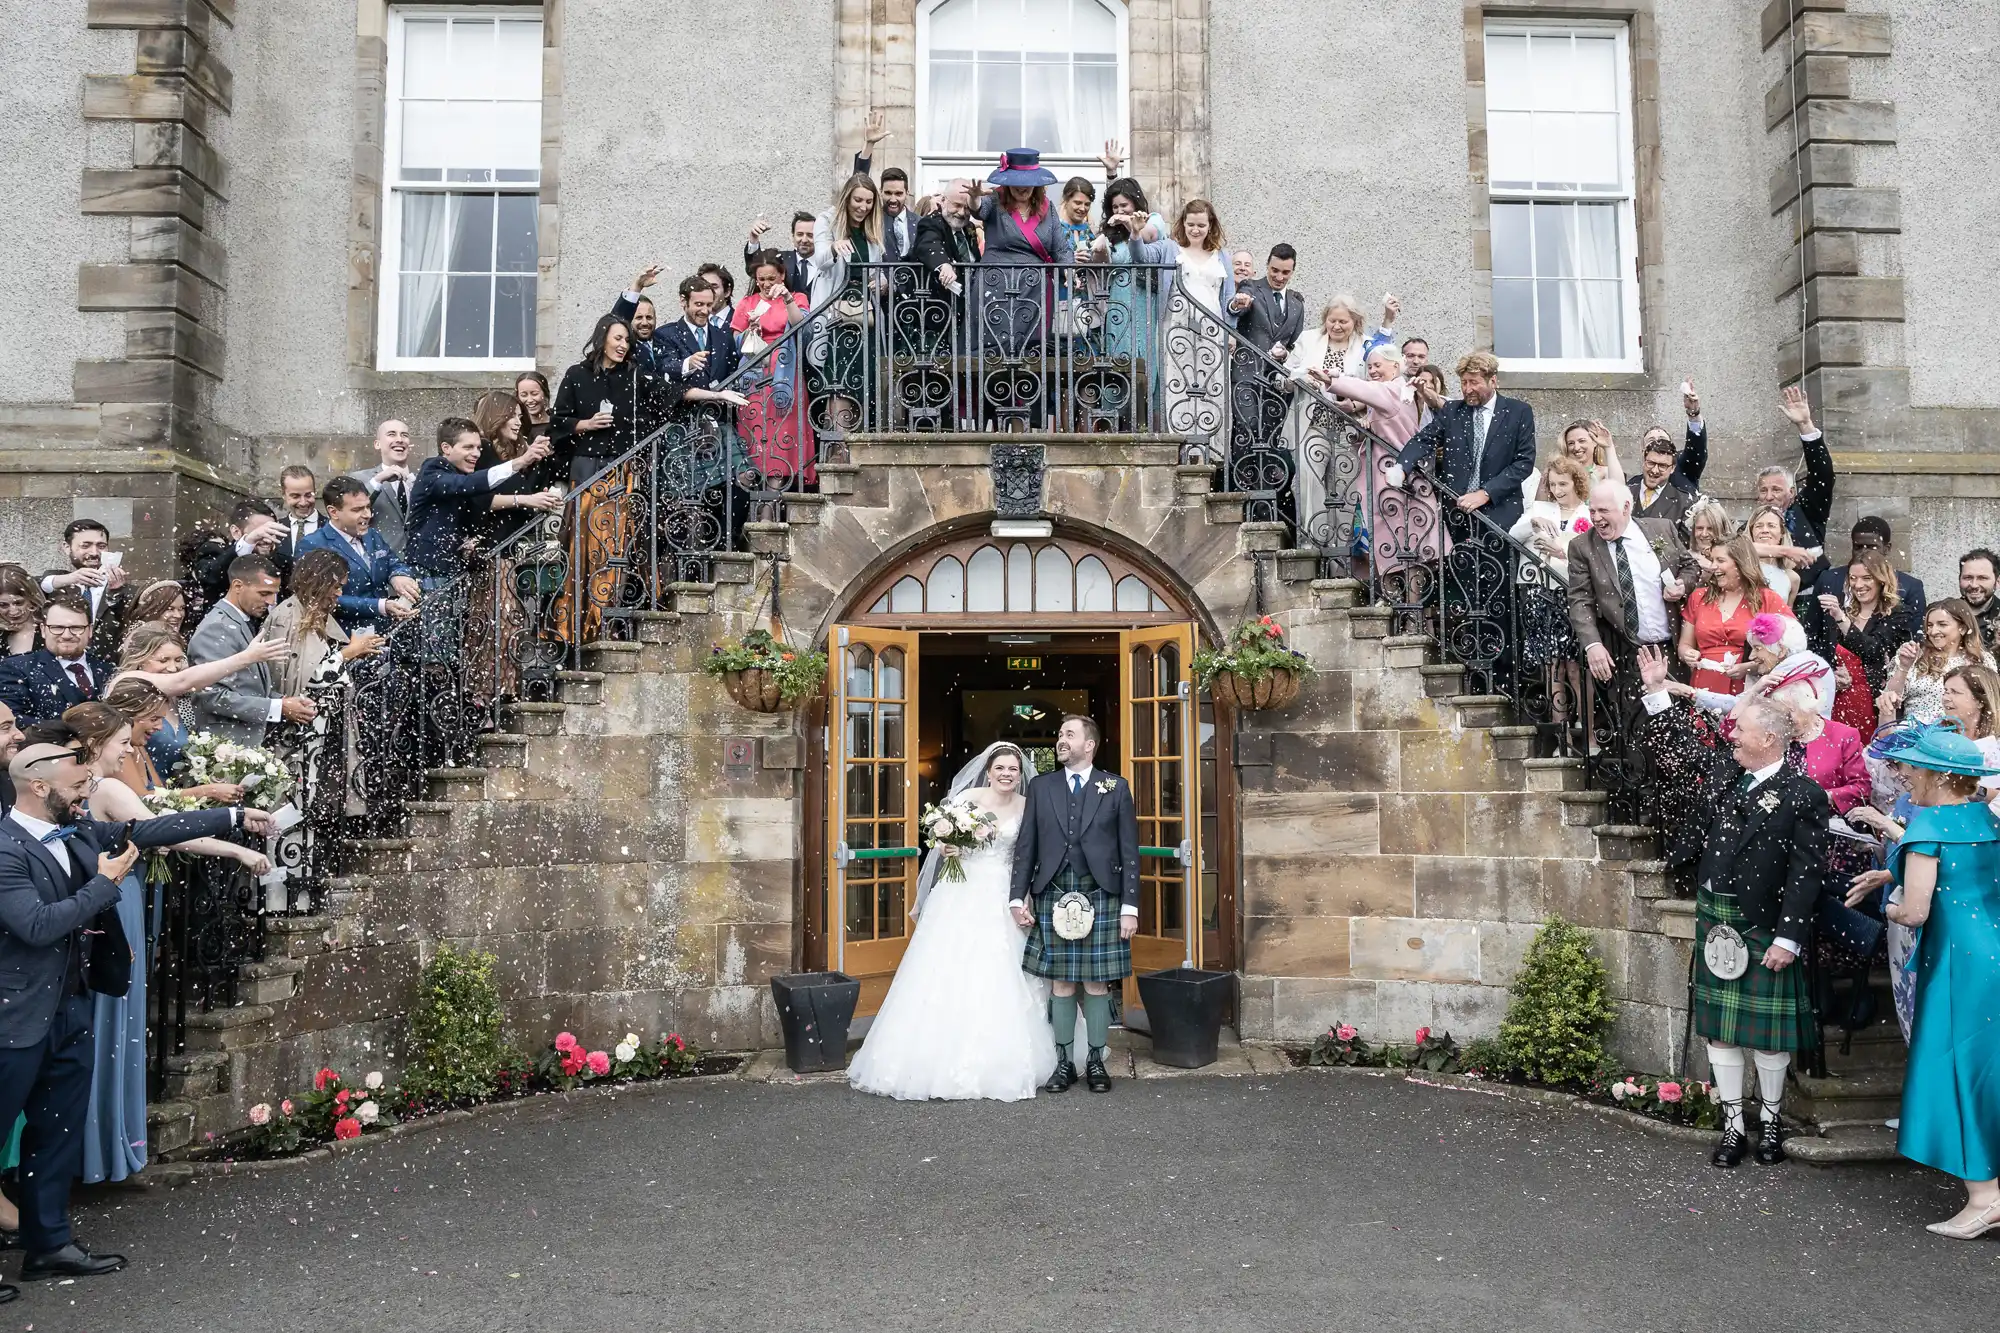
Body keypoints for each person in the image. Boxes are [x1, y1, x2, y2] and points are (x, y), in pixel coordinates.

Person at [0, 738, 269, 1294]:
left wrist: (235, 816)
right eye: (77, 788)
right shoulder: (4, 848)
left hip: (69, 1010)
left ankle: (49, 1246)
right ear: (39, 786)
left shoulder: (73, 831)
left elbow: (145, 831)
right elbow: (37, 926)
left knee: (56, 1134)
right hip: (14, 1019)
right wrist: (106, 884)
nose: (86, 796)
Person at [59, 703, 269, 1186]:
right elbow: (163, 834)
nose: (129, 748)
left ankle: (98, 1151)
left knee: (111, 1027)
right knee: (113, 1026)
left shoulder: (92, 789)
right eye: (121, 741)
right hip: (111, 904)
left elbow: (158, 828)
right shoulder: (105, 788)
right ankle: (101, 1153)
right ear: (94, 745)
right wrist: (235, 838)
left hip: (112, 901)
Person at [1636, 659, 1827, 1168]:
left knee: (1766, 1040)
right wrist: (1657, 693)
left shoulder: (1802, 794)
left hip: (1763, 923)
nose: (1733, 736)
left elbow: (1805, 873)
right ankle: (1733, 1126)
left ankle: (1769, 1125)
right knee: (1722, 1032)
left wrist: (1788, 939)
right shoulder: (1726, 774)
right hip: (1716, 915)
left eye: (1740, 729)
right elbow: (1680, 754)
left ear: (1768, 737)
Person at [847, 742, 1057, 1102]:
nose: (1007, 774)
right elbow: (941, 843)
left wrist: (1023, 897)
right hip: (962, 891)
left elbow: (1031, 854)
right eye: (1000, 768)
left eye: (1013, 769)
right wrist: (948, 846)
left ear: (1020, 774)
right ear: (988, 771)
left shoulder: (1028, 806)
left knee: (1005, 970)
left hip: (1006, 891)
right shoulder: (967, 798)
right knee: (949, 966)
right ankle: (933, 1056)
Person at [1863, 724, 2000, 1236]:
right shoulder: (1987, 817)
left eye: (1914, 767)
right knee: (1992, 1068)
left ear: (1941, 775)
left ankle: (1986, 1198)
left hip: (1958, 965)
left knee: (1959, 1069)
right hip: (1994, 955)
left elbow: (1917, 912)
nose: (1906, 774)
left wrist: (1893, 904)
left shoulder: (1928, 829)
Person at [1007, 714, 1140, 1094]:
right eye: (1060, 734)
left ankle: (1096, 1061)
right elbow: (1025, 847)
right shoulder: (1041, 786)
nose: (1061, 740)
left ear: (1089, 745)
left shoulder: (1115, 787)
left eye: (1069, 734)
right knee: (1061, 983)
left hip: (1102, 894)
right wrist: (1017, 897)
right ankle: (1064, 1062)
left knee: (1098, 983)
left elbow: (1129, 852)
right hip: (1052, 892)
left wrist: (1130, 906)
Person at [262, 550, 382, 832]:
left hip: (323, 725)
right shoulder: (288, 616)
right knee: (291, 798)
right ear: (320, 581)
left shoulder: (316, 615)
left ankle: (304, 863)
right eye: (337, 585)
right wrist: (348, 654)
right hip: (299, 727)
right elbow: (300, 680)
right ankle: (284, 871)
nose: (339, 593)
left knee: (311, 796)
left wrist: (348, 653)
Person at [104, 623, 288, 779]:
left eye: (178, 660)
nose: (172, 667)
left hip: (177, 796)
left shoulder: (180, 699)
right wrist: (247, 657)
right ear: (139, 660)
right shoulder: (125, 681)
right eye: (163, 660)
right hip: (138, 793)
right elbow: (183, 681)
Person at [1390, 351, 1540, 532]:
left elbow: (1524, 462)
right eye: (1464, 382)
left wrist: (1486, 493)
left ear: (1492, 381)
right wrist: (1401, 468)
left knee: (1495, 561)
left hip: (1500, 511)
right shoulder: (1452, 411)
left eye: (1474, 382)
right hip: (1455, 511)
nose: (1467, 389)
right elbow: (1423, 440)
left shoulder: (1519, 411)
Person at [186, 555, 313, 748]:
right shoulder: (217, 627)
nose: (271, 601)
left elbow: (249, 686)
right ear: (237, 586)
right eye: (264, 593)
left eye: (274, 594)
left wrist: (284, 701)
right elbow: (211, 697)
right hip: (225, 746)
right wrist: (278, 707)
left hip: (242, 743)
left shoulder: (238, 621)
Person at [406, 417, 560, 576]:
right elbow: (466, 485)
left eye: (478, 448)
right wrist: (521, 461)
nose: (476, 453)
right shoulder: (432, 470)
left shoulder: (460, 474)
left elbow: (480, 502)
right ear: (446, 448)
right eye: (468, 447)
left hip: (453, 569)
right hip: (428, 569)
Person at [296, 475, 421, 634]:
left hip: (385, 633)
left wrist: (398, 575)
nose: (367, 514)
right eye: (357, 509)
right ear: (333, 512)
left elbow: (393, 562)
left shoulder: (372, 535)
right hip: (344, 638)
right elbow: (321, 598)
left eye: (368, 507)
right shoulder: (313, 545)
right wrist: (380, 606)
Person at [732, 252, 815, 486]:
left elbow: (803, 328)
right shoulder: (747, 303)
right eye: (761, 279)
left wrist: (787, 297)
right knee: (757, 434)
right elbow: (736, 342)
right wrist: (751, 332)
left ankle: (775, 493)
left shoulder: (797, 297)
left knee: (783, 435)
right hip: (755, 376)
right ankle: (759, 494)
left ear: (782, 275)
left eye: (771, 278)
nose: (767, 284)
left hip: (786, 375)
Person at [1678, 534, 1791, 697]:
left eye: (1720, 561)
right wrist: (1687, 654)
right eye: (1712, 560)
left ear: (1740, 563)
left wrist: (1751, 666)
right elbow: (1684, 645)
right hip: (1704, 684)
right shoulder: (1698, 597)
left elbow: (1789, 647)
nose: (1713, 566)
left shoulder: (1768, 599)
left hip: (1751, 686)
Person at [1756, 385, 1837, 592]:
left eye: (1776, 489)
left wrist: (1805, 425)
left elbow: (1823, 474)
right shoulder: (1752, 525)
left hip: (1809, 597)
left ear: (1791, 493)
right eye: (1763, 490)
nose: (1769, 496)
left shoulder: (1807, 510)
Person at [1226, 244, 1304, 453]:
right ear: (1267, 266)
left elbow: (1295, 345)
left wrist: (1286, 353)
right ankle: (1239, 483)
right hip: (1247, 375)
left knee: (1271, 437)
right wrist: (1237, 304)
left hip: (1277, 383)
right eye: (1275, 270)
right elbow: (1236, 307)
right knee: (1247, 430)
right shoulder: (1251, 287)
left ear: (1293, 271)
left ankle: (1263, 483)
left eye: (1285, 272)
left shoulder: (1297, 303)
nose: (1279, 276)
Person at [1819, 550, 1918, 710]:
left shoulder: (1899, 613)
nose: (1858, 585)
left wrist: (1840, 618)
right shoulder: (1845, 613)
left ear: (1881, 580)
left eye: (1867, 578)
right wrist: (1836, 676)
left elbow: (1873, 651)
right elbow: (1829, 655)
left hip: (1878, 703)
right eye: (1853, 578)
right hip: (1842, 701)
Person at [1879, 598, 1993, 727]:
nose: (1933, 631)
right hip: (1915, 734)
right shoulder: (1915, 655)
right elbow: (1891, 699)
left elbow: (1991, 703)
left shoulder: (1981, 660)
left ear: (1962, 627)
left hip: (1962, 735)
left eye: (1942, 624)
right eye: (1930, 625)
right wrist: (1903, 667)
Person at [0, 594, 109, 725]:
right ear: (43, 630)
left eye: (76, 628)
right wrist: (74, 732)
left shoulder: (107, 669)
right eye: (57, 628)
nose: (67, 635)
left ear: (90, 630)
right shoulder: (17, 668)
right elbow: (12, 720)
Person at [38, 520, 130, 661]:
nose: (94, 553)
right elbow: (31, 584)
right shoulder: (58, 583)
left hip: (109, 667)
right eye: (85, 546)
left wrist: (116, 593)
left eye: (101, 546)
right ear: (66, 547)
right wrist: (70, 579)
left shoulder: (122, 589)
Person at [1810, 517, 1926, 622]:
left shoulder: (1910, 587)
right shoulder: (1828, 579)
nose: (1864, 553)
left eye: (1871, 547)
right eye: (1858, 547)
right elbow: (1811, 632)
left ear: (1887, 548)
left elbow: (1915, 637)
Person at [187, 499, 287, 614]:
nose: (267, 539)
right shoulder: (215, 551)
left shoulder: (282, 562)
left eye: (271, 531)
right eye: (259, 532)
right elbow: (209, 576)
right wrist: (248, 543)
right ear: (236, 532)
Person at [1510, 457, 1594, 583]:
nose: (1557, 490)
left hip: (1572, 587)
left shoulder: (1590, 514)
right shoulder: (1538, 508)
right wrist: (1532, 524)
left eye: (1563, 484)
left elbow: (1594, 554)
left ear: (1577, 483)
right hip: (1536, 585)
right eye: (1552, 484)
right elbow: (1512, 537)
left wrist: (1562, 552)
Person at [347, 419, 417, 554]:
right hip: (379, 562)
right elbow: (350, 510)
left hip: (418, 564)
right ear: (377, 444)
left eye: (404, 435)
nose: (399, 439)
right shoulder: (359, 479)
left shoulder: (422, 480)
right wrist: (378, 480)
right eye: (392, 434)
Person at [742, 210, 815, 295]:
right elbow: (752, 268)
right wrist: (753, 238)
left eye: (810, 235)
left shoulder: (827, 264)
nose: (804, 240)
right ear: (792, 236)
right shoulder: (780, 259)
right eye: (800, 234)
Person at [1746, 504, 1808, 604]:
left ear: (1782, 532)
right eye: (1759, 526)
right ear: (1751, 532)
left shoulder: (1792, 578)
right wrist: (1786, 551)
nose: (1765, 530)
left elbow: (1787, 617)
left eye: (1771, 526)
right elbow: (1742, 548)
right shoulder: (1741, 567)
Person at [0, 563, 45, 658]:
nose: (13, 611)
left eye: (18, 603)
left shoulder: (51, 630)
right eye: (3, 605)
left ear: (32, 599)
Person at [1957, 547, 2000, 648]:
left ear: (1997, 582)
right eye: (1968, 577)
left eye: (1982, 578)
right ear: (1959, 579)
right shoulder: (1943, 615)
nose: (1974, 585)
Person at [275, 464, 322, 552]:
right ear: (283, 495)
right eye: (295, 496)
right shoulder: (275, 530)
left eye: (308, 495)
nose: (303, 503)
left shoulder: (331, 527)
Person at [1685, 498, 1734, 579]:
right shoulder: (1686, 558)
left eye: (1710, 529)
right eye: (1700, 528)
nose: (1704, 534)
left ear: (1722, 529)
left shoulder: (1733, 557)